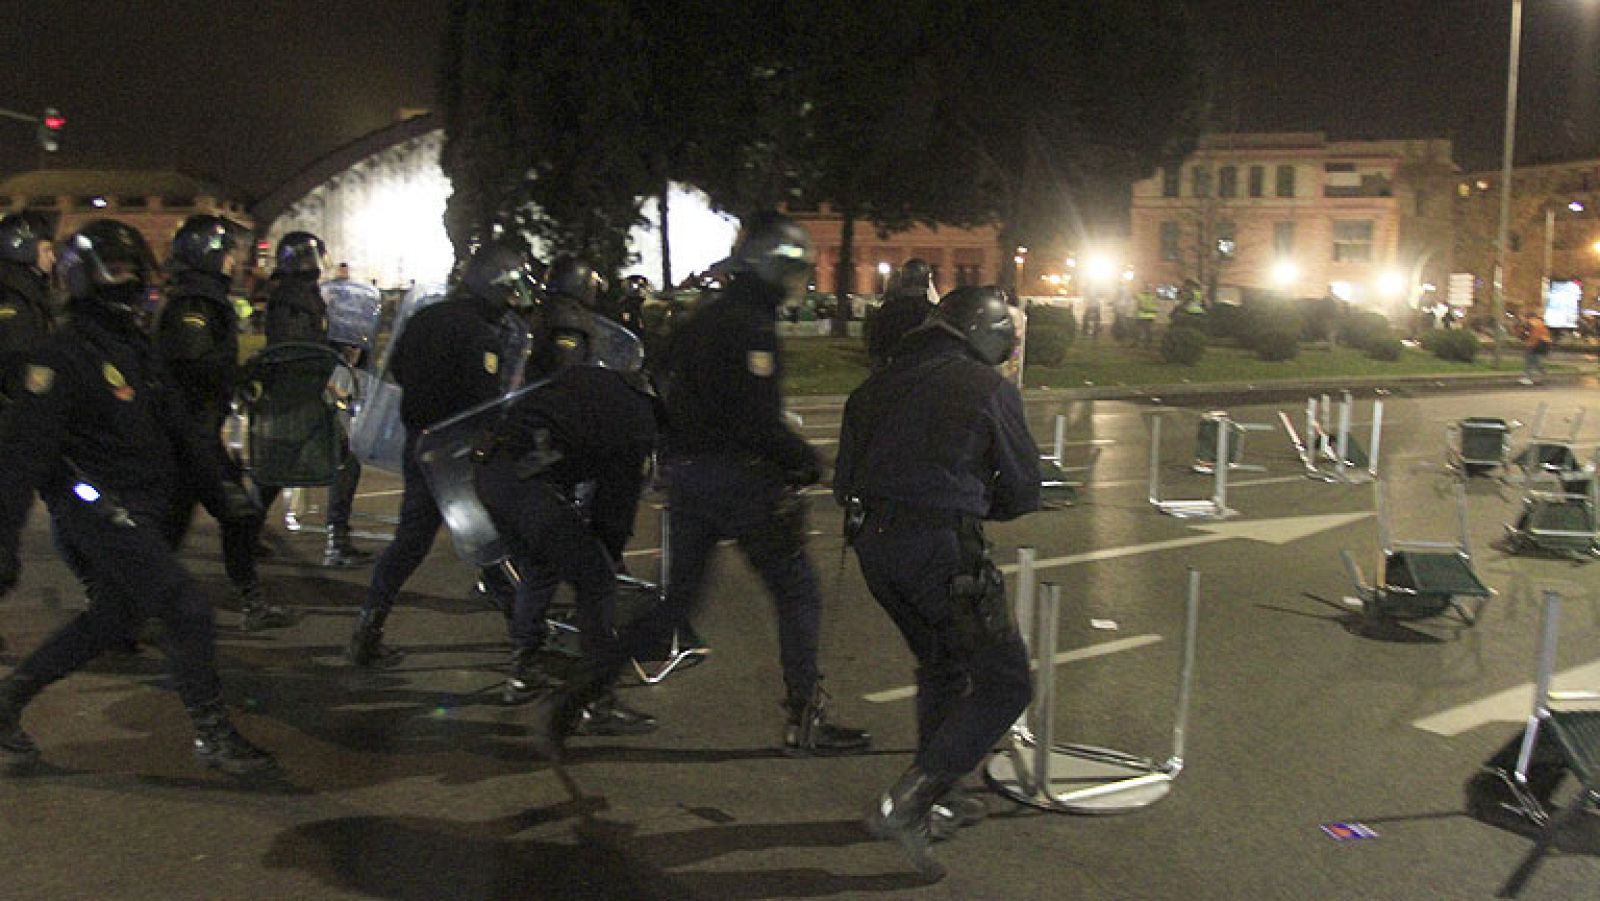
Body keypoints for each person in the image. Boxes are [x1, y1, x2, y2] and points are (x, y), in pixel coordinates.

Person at [527, 211, 870, 759]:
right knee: (797, 590)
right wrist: (807, 462)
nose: (800, 281)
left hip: (690, 479)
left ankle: (588, 687)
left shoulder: (705, 318)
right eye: (795, 269)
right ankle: (805, 716)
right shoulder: (750, 325)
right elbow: (755, 421)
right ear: (770, 268)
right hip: (737, 480)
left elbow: (662, 382)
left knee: (675, 605)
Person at [0, 220, 275, 775]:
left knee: (111, 619)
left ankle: (6, 702)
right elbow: (22, 459)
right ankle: (213, 733)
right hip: (98, 507)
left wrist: (224, 489)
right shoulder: (60, 358)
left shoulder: (134, 348)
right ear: (88, 278)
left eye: (133, 271)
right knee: (187, 607)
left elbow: (183, 427)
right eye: (118, 271)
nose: (130, 284)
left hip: (143, 506)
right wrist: (3, 541)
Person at [834, 285, 1040, 880]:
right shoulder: (988, 389)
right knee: (1005, 684)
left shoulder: (874, 386)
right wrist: (972, 502)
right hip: (943, 553)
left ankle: (942, 794)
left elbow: (844, 482)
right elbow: (1023, 490)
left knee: (942, 663)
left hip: (875, 552)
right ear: (984, 329)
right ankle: (909, 803)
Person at [345, 241, 538, 667]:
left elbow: (395, 368)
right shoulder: (480, 334)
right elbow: (483, 400)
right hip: (462, 452)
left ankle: (368, 628)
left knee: (411, 542)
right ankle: (527, 644)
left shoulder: (424, 317)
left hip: (422, 446)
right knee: (491, 542)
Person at [477, 290, 658, 733]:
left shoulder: (598, 388)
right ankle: (598, 701)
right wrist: (606, 551)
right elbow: (614, 510)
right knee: (595, 578)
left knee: (540, 567)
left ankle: (523, 672)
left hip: (493, 477)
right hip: (525, 484)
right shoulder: (638, 422)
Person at [155, 215, 293, 630]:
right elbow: (193, 365)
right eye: (228, 254)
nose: (234, 262)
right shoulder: (194, 305)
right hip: (189, 435)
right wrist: (239, 375)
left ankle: (128, 612)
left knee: (173, 530)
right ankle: (249, 604)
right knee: (239, 514)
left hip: (196, 433)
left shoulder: (202, 298)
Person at [0, 213, 57, 654]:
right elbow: (22, 364)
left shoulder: (29, 293)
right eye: (45, 246)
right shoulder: (13, 299)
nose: (52, 255)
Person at [865, 258, 936, 369]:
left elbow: (875, 351)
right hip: (924, 374)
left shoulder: (887, 310)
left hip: (894, 373)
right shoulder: (933, 313)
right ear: (926, 282)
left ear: (903, 281)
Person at [1520, 311, 1551, 385]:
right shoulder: (1540, 322)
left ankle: (1528, 378)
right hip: (1544, 343)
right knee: (1536, 360)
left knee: (1529, 360)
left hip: (1538, 343)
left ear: (1528, 317)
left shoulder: (1532, 323)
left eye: (1525, 317)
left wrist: (1530, 345)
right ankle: (1543, 374)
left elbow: (1534, 336)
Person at [1135, 282, 1160, 348]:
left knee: (1144, 330)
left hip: (1144, 316)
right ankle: (1147, 344)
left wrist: (1145, 309)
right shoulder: (1153, 296)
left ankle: (1144, 343)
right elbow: (1156, 306)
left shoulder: (1140, 295)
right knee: (1148, 330)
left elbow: (1139, 306)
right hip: (1149, 316)